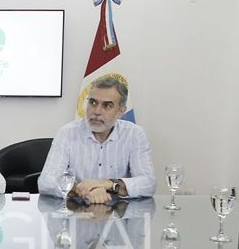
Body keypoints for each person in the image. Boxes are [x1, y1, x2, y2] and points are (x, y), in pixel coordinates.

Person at [38, 74, 155, 203]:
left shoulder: (134, 134)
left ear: (121, 111)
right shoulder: (68, 133)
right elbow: (46, 182)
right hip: (77, 216)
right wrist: (80, 189)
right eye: (93, 103)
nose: (97, 111)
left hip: (118, 217)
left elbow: (148, 184)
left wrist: (108, 184)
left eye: (107, 105)